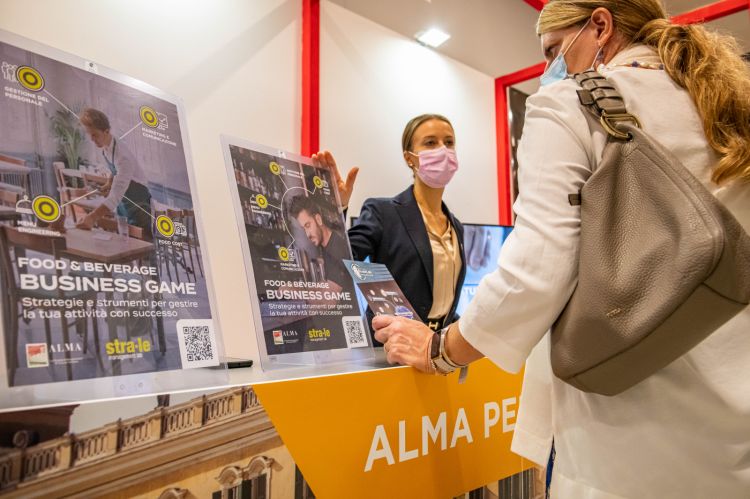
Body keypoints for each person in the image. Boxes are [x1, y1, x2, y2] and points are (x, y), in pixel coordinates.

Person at [371, 1, 750, 497]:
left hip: (629, 435)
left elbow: (535, 273)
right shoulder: (725, 109)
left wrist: (441, 350)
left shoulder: (570, 105)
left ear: (599, 25)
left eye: (554, 51)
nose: (554, 70)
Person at [315, 113, 467, 334]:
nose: (442, 150)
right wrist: (336, 210)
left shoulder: (456, 227)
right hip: (389, 345)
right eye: (431, 142)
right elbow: (343, 261)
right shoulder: (383, 213)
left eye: (449, 142)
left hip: (436, 348)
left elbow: (444, 303)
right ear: (409, 158)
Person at [77, 108, 153, 239]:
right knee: (124, 244)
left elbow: (115, 196)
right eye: (89, 134)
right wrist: (109, 182)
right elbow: (116, 170)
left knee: (143, 250)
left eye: (94, 135)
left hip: (138, 206)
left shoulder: (123, 157)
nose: (91, 139)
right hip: (123, 205)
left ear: (106, 131)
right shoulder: (107, 147)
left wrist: (92, 218)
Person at [288, 194, 350, 292]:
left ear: (318, 219)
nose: (307, 234)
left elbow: (331, 299)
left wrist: (297, 292)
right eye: (304, 228)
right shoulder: (326, 246)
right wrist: (300, 288)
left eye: (308, 225)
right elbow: (328, 282)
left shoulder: (336, 248)